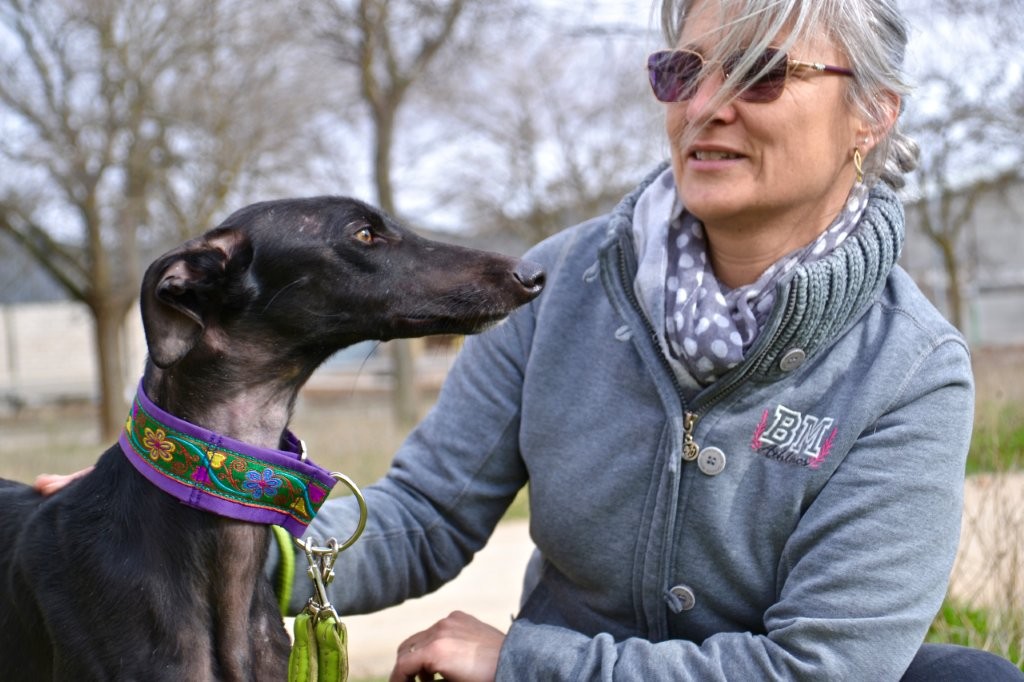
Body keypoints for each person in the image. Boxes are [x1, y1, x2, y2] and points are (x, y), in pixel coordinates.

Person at [35, 0, 1024, 680]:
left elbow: (821, 670)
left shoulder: (911, 371)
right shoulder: (569, 283)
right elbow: (421, 516)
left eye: (762, 74)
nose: (705, 104)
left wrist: (523, 663)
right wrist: (169, 532)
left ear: (870, 117)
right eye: (681, 68)